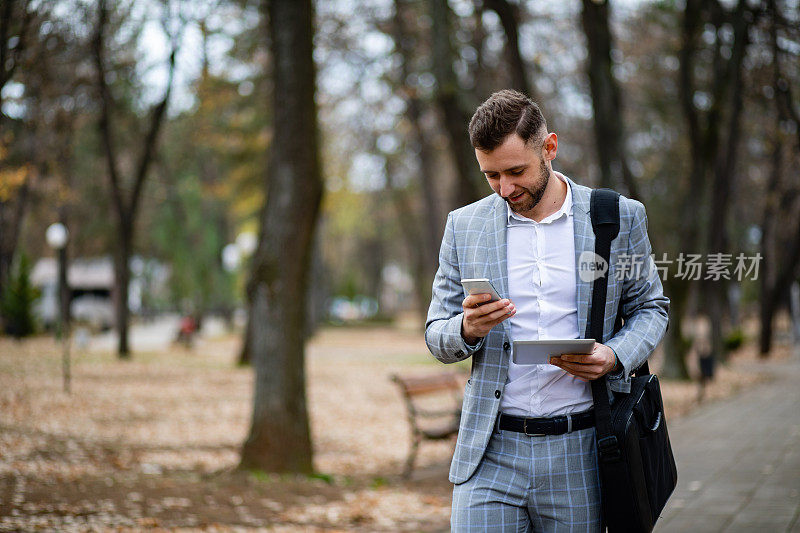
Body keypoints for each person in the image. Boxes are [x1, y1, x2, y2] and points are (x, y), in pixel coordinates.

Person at [425, 89, 669, 532]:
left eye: (516, 171)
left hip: (583, 452)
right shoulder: (464, 226)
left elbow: (651, 307)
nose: (505, 189)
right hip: (490, 452)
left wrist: (613, 356)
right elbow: (435, 333)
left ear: (550, 147)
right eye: (491, 176)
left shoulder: (615, 217)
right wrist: (466, 328)